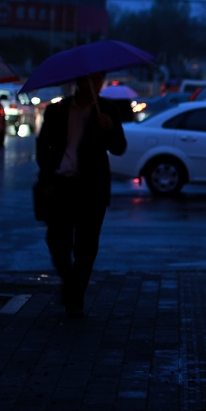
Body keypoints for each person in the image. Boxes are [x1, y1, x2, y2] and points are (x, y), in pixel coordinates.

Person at [36, 72, 127, 318]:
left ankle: (75, 298)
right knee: (57, 242)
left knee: (86, 247)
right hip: (62, 185)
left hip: (92, 188)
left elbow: (119, 147)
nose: (94, 86)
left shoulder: (106, 110)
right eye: (90, 80)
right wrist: (47, 177)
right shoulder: (58, 110)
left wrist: (110, 128)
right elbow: (43, 146)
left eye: (99, 81)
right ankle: (70, 283)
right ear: (78, 82)